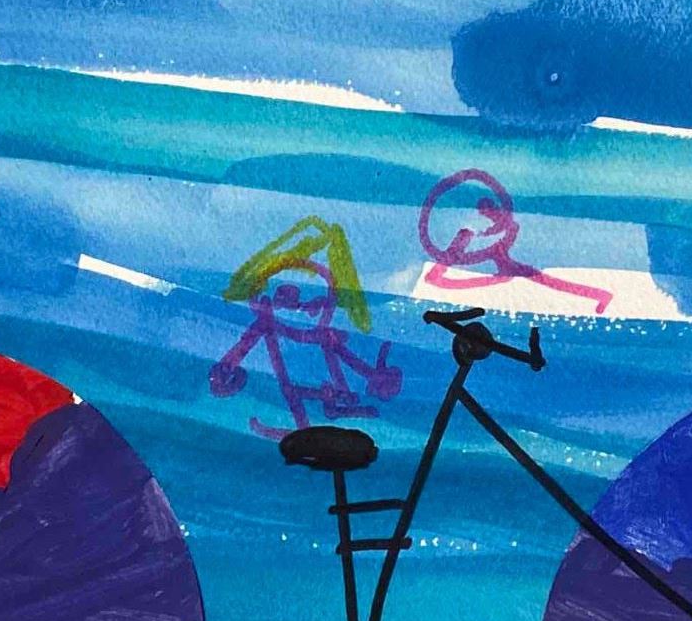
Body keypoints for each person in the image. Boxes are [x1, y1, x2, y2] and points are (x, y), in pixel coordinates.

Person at [212, 217, 402, 439]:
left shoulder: (318, 332)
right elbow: (243, 346)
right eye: (285, 298)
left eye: (300, 301)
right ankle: (323, 416)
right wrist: (225, 370)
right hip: (298, 382)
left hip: (316, 381)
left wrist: (373, 373)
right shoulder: (270, 324)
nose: (295, 308)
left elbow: (346, 356)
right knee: (301, 400)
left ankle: (332, 410)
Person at [418, 168, 613, 315]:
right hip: (489, 251)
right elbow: (437, 276)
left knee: (538, 277)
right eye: (486, 210)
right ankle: (599, 295)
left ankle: (600, 295)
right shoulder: (466, 234)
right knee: (537, 276)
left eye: (489, 210)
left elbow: (511, 227)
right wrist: (491, 278)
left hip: (495, 251)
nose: (488, 214)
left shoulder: (486, 229)